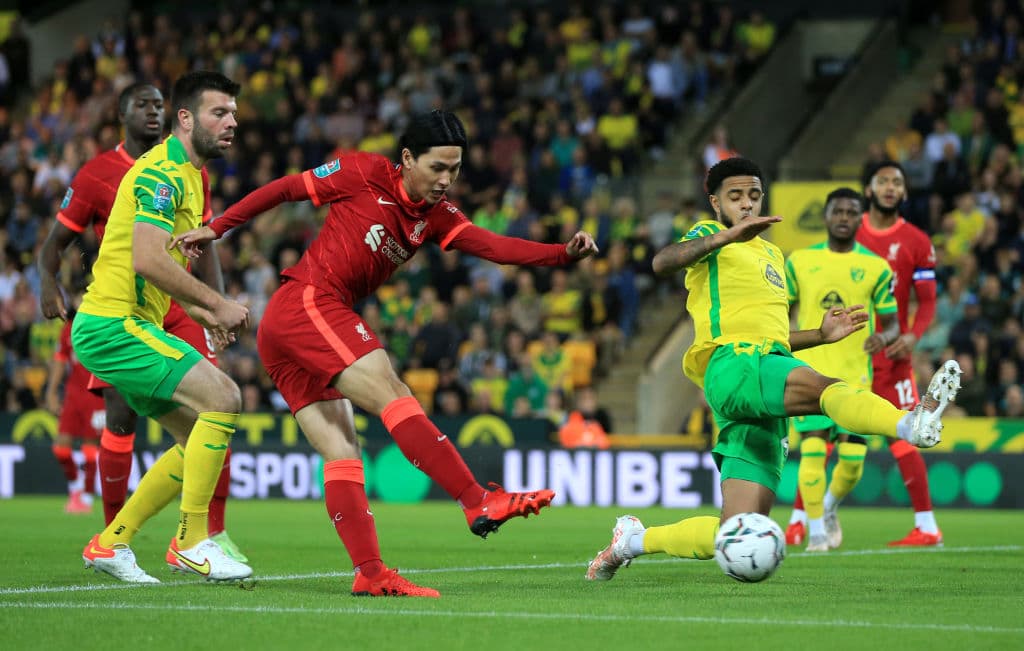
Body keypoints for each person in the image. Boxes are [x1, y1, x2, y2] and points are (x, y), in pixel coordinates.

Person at [172, 109, 599, 598]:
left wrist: (561, 255)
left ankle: (370, 572)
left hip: (295, 327)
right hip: (308, 300)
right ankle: (476, 499)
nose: (446, 180)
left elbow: (495, 247)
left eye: (455, 170)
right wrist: (219, 226)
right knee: (392, 388)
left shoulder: (436, 217)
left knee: (342, 449)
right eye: (437, 167)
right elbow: (288, 188)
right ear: (407, 159)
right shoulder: (363, 172)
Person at [584, 157, 960, 582]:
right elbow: (662, 262)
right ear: (716, 202)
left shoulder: (774, 256)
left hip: (761, 372)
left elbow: (775, 337)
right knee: (825, 389)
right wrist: (727, 236)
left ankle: (630, 541)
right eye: (736, 196)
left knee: (736, 531)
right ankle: (909, 425)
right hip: (734, 364)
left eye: (754, 195)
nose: (747, 204)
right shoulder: (711, 236)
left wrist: (819, 334)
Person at [37, 82, 247, 562]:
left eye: (234, 112)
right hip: (113, 323)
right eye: (220, 112)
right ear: (187, 119)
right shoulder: (160, 173)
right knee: (224, 397)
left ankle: (110, 544)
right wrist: (217, 306)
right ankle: (193, 540)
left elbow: (174, 263)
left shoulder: (193, 176)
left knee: (196, 433)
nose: (232, 122)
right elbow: (149, 261)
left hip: (138, 321)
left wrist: (203, 311)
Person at [788, 161, 944, 547]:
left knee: (873, 451)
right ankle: (808, 527)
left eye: (898, 182)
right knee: (814, 444)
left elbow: (921, 305)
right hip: (817, 364)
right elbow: (784, 308)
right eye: (883, 181)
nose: (891, 188)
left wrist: (904, 336)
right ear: (870, 191)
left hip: (881, 364)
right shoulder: (803, 259)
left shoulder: (908, 246)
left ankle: (921, 524)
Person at [784, 188, 900, 552]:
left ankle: (829, 508)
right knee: (814, 453)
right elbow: (779, 311)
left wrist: (885, 337)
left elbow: (894, 323)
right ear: (826, 215)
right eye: (838, 210)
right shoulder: (798, 261)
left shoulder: (877, 267)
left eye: (852, 211)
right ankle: (816, 531)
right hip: (809, 373)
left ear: (860, 217)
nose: (844, 217)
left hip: (856, 377)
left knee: (852, 463)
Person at [45, 311, 105, 514]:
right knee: (61, 446)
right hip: (73, 394)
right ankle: (75, 488)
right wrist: (52, 391)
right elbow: (60, 360)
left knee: (90, 446)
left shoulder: (100, 323)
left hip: (95, 393)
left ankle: (86, 497)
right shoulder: (68, 328)